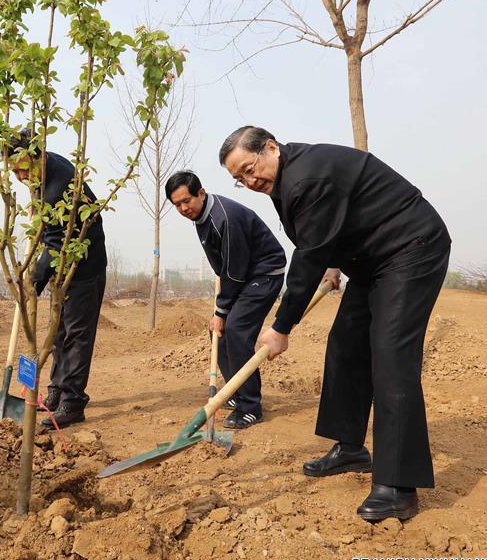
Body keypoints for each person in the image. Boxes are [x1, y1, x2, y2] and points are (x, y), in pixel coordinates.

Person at [219, 125, 451, 521]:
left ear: (270, 147)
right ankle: (350, 448)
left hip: (411, 248)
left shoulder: (307, 177)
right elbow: (324, 232)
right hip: (370, 259)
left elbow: (306, 255)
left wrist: (281, 326)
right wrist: (331, 262)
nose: (249, 180)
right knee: (345, 344)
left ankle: (397, 487)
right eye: (239, 179)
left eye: (249, 168)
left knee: (391, 356)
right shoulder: (286, 179)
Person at [165, 170, 286, 428]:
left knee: (235, 330)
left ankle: (250, 406)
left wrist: (221, 311)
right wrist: (220, 311)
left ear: (201, 192)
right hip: (243, 275)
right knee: (217, 333)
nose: (183, 208)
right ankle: (234, 390)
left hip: (264, 274)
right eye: (177, 205)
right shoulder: (201, 216)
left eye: (187, 200)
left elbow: (235, 270)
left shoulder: (224, 218)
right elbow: (226, 267)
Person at [6, 130, 107, 429]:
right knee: (59, 332)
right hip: (63, 269)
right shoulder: (44, 173)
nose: (21, 176)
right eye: (14, 171)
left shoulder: (58, 187)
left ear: (39, 156)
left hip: (83, 269)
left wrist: (32, 283)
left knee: (76, 336)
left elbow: (54, 243)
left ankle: (73, 402)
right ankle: (55, 392)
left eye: (24, 167)